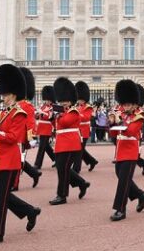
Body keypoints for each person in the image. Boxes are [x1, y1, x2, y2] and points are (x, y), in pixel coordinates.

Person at [0, 64, 41, 245]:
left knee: (0, 198)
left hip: (10, 159)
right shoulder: (7, 112)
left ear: (13, 94)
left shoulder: (19, 113)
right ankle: (30, 211)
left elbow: (14, 138)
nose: (3, 98)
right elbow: (4, 136)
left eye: (5, 95)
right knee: (2, 195)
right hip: (1, 157)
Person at [109, 79, 144, 221]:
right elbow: (114, 134)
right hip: (120, 151)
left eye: (128, 104)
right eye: (124, 104)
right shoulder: (123, 114)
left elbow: (131, 131)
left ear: (134, 104)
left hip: (131, 152)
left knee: (123, 182)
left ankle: (120, 209)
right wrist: (113, 123)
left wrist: (120, 121)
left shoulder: (139, 116)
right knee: (122, 177)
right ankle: (140, 195)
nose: (125, 107)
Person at [49, 77, 90, 205]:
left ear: (70, 101)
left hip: (70, 144)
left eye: (65, 101)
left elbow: (65, 122)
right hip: (61, 143)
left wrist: (57, 115)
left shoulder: (73, 111)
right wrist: (53, 117)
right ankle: (82, 183)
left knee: (63, 169)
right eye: (61, 101)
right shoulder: (62, 111)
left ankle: (62, 195)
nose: (63, 103)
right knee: (63, 168)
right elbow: (57, 125)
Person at [15, 67, 42, 189]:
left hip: (22, 137)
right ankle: (34, 174)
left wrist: (31, 138)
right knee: (16, 160)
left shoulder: (27, 105)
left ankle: (14, 184)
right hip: (13, 135)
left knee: (17, 161)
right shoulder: (14, 104)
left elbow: (30, 122)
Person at [74, 81, 99, 173]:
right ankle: (92, 161)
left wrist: (76, 114)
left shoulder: (88, 107)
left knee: (79, 150)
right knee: (80, 149)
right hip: (77, 130)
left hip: (84, 131)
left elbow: (86, 118)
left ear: (83, 99)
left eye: (80, 99)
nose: (78, 100)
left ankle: (76, 169)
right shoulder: (78, 106)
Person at [34, 86, 56, 169]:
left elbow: (51, 117)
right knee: (45, 146)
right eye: (46, 99)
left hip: (47, 128)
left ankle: (37, 164)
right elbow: (38, 116)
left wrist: (42, 113)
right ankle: (55, 159)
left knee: (41, 147)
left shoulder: (53, 107)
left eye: (48, 99)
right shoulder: (43, 106)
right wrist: (37, 114)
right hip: (41, 127)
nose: (46, 101)